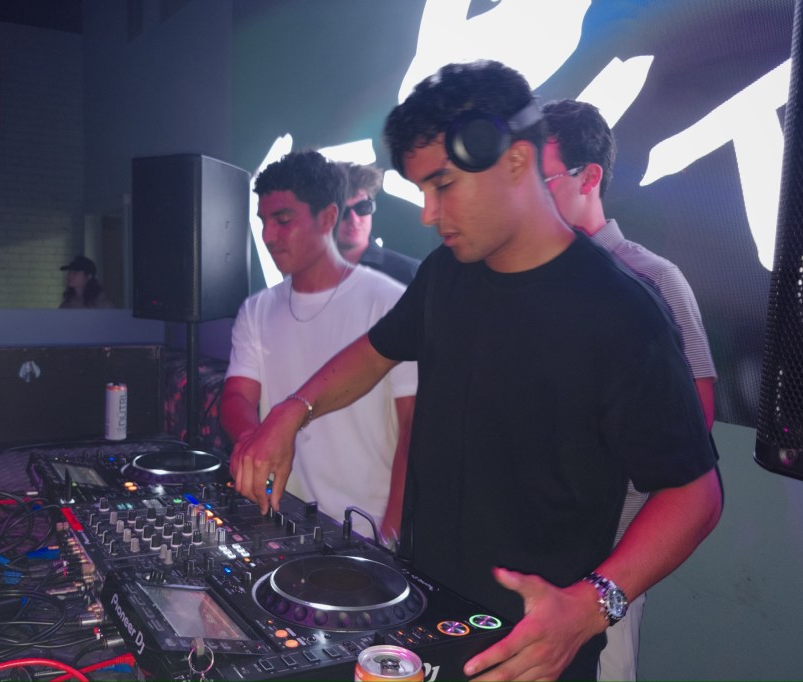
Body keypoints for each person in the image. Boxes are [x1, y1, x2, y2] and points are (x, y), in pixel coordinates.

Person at [230, 61, 722, 681]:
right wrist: (290, 412)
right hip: (426, 619)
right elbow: (375, 351)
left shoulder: (620, 310)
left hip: (530, 650)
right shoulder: (447, 273)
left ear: (514, 160)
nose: (428, 213)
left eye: (442, 186)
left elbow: (695, 494)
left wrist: (590, 607)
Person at [542, 98, 718, 681]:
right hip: (529, 539)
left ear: (589, 177)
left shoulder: (653, 277)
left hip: (607, 557)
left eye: (542, 180)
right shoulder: (527, 279)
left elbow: (693, 428)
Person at [219, 150, 416, 542]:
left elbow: (413, 425)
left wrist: (392, 534)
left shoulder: (390, 302)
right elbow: (236, 396)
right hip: (283, 522)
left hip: (365, 531)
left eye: (282, 220)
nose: (268, 236)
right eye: (263, 222)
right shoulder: (257, 310)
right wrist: (254, 443)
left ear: (327, 218)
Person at [335, 162, 421, 284]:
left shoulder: (409, 272)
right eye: (343, 211)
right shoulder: (309, 272)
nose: (354, 219)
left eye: (363, 207)